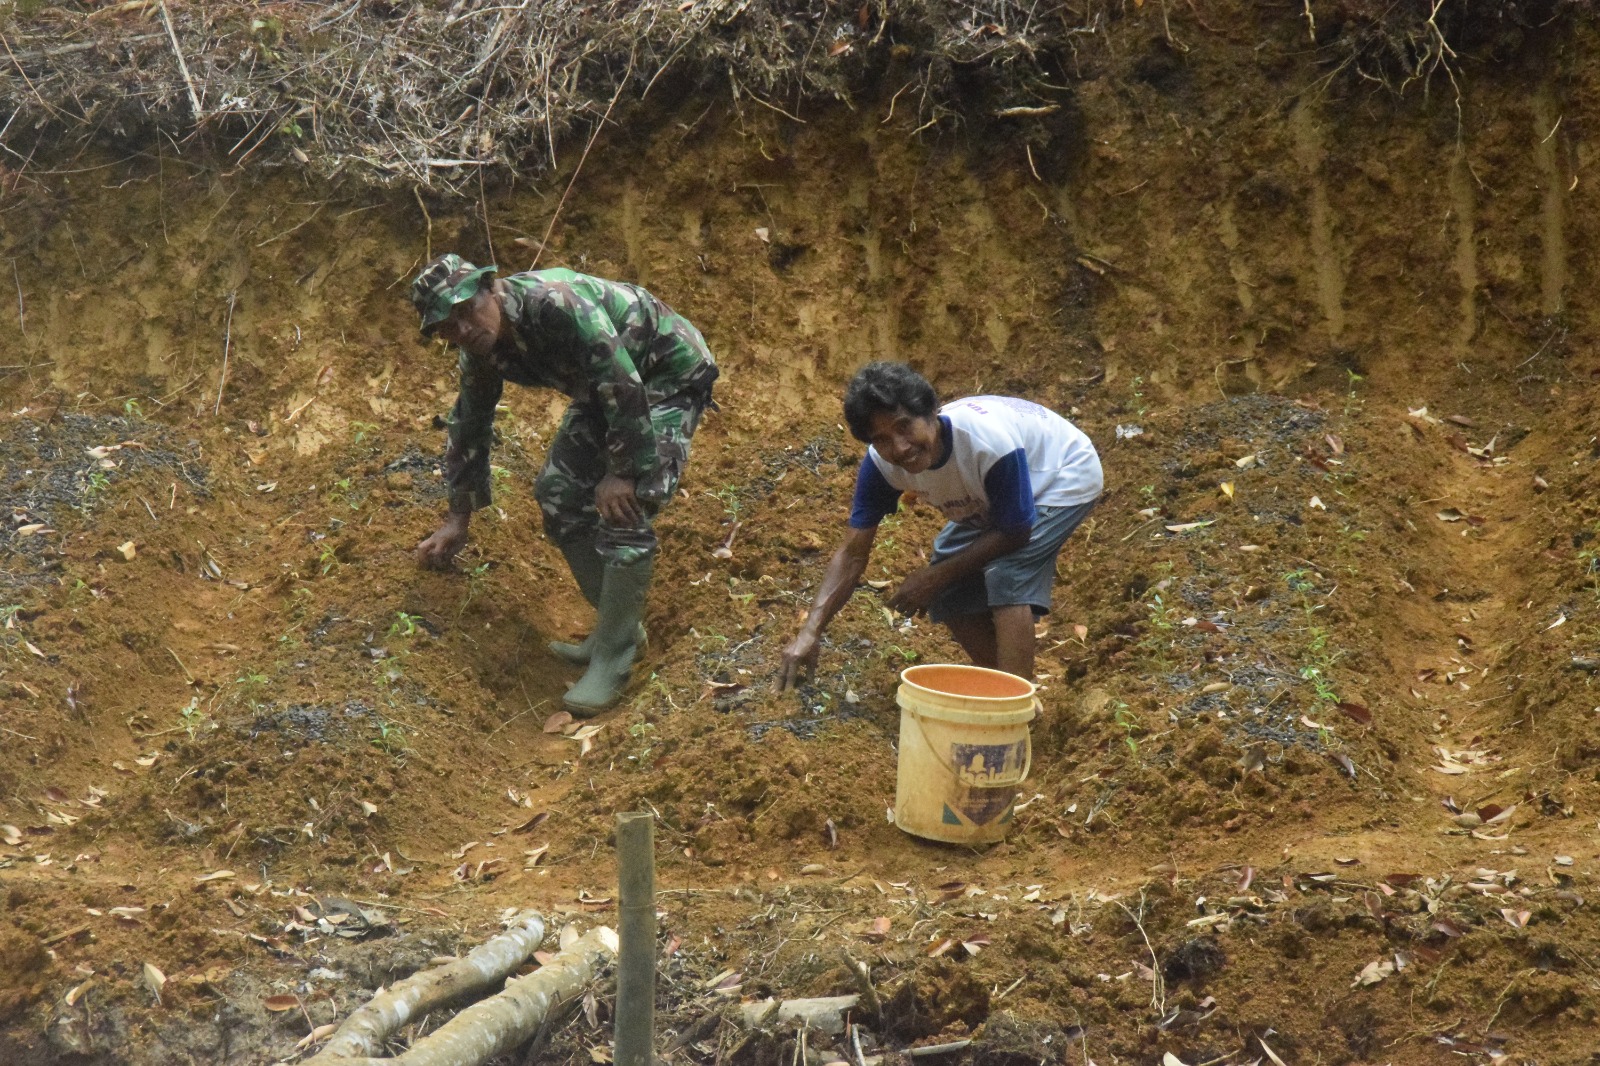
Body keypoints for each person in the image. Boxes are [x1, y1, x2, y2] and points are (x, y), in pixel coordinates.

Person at [410, 253, 718, 715]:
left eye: (467, 309)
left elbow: (623, 380)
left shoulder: (553, 304)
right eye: (448, 326)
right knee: (558, 493)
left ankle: (615, 656)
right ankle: (619, 627)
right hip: (604, 389)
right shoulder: (481, 350)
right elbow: (470, 420)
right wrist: (459, 516)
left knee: (628, 505)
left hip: (664, 374)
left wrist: (624, 471)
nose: (464, 328)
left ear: (490, 289)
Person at [779, 362, 1101, 687]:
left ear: (933, 411)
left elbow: (1015, 531)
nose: (900, 447)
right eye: (883, 440)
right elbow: (852, 554)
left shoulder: (983, 443)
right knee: (947, 590)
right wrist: (810, 633)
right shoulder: (880, 467)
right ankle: (1008, 691)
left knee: (1007, 572)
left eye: (904, 427)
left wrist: (933, 578)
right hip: (995, 493)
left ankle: (1014, 712)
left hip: (1061, 472)